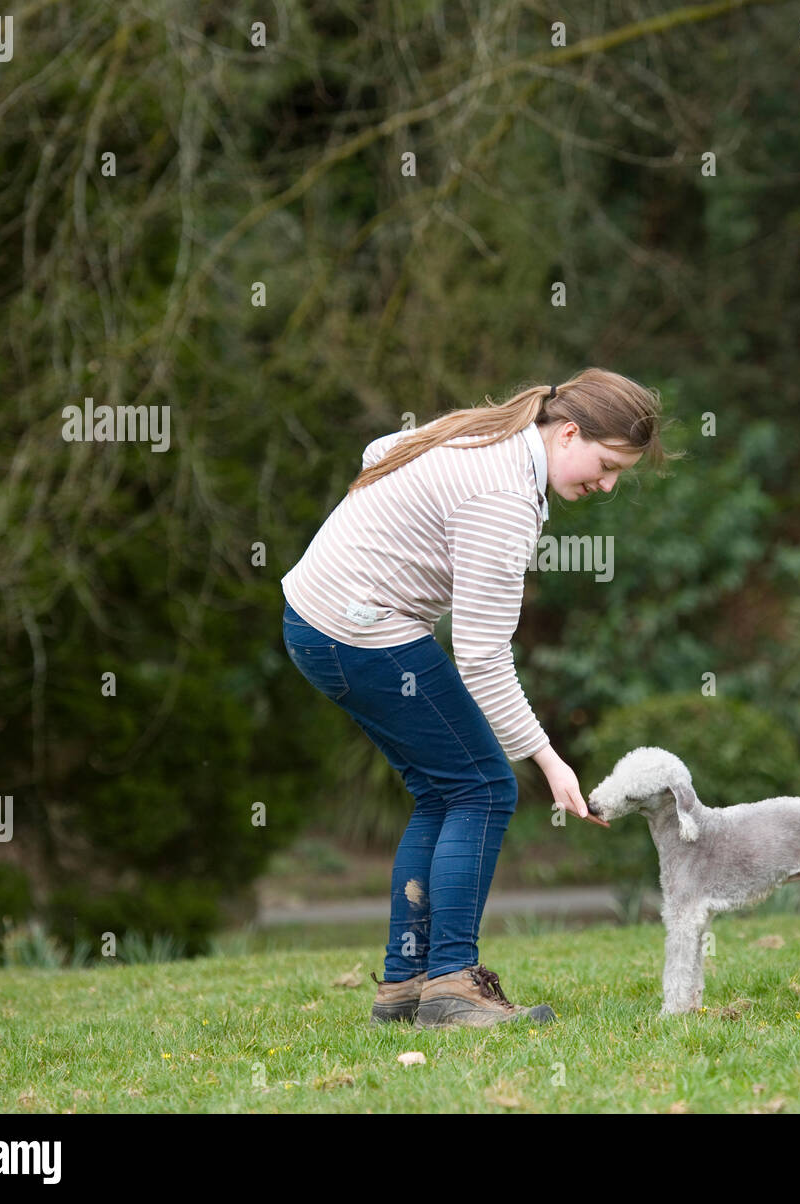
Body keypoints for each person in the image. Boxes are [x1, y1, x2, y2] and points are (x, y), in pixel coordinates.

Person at [280, 368, 671, 1028]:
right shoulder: (502, 497)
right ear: (569, 432)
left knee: (444, 790)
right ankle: (454, 986)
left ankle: (405, 986)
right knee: (485, 789)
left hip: (317, 621)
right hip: (358, 631)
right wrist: (548, 759)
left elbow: (380, 450)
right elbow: (483, 656)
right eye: (606, 465)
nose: (606, 485)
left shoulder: (491, 432)